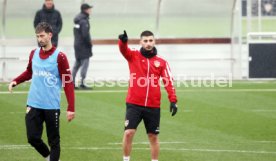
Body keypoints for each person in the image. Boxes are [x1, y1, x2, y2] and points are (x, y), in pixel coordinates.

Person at [8, 22, 75, 161]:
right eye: (37, 36)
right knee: (32, 138)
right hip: (33, 104)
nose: (39, 39)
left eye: (42, 36)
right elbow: (29, 72)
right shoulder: (34, 53)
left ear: (50, 35)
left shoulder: (60, 57)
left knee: (54, 142)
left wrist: (71, 107)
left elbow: (68, 82)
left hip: (51, 106)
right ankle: (49, 157)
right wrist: (16, 81)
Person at [118, 30, 178, 161]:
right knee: (128, 133)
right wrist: (123, 42)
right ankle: (126, 159)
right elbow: (123, 50)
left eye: (151, 40)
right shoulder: (133, 55)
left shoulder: (161, 62)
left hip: (153, 105)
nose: (148, 43)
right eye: (145, 41)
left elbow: (168, 81)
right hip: (134, 103)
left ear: (154, 41)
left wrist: (173, 100)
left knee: (153, 137)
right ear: (141, 42)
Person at [72, 3, 93, 89]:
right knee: (85, 64)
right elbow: (85, 35)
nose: (90, 10)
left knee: (77, 64)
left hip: (77, 45)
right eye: (89, 9)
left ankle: (70, 83)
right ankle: (82, 83)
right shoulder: (84, 21)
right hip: (83, 46)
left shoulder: (77, 20)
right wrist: (89, 44)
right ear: (85, 10)